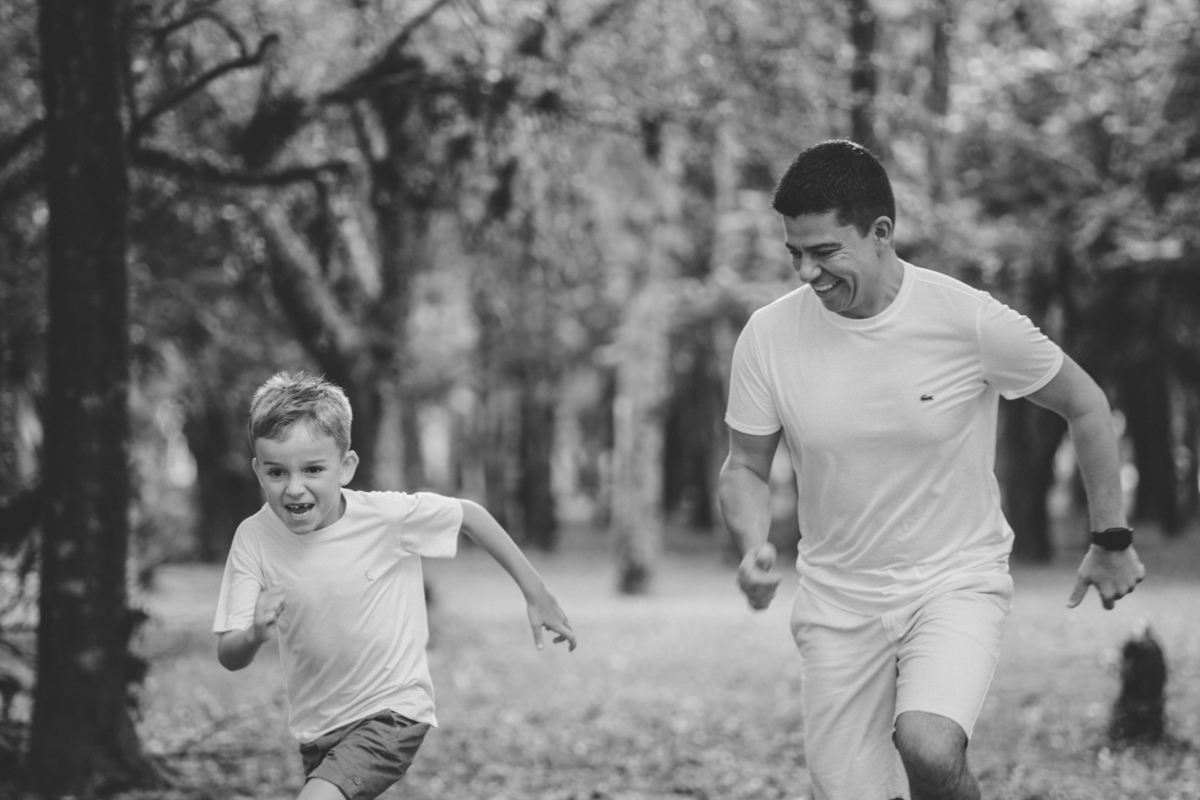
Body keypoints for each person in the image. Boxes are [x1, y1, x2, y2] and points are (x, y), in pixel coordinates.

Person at [718, 140, 1144, 800]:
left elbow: (1086, 404)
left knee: (929, 744)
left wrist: (1111, 537)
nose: (805, 271)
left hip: (954, 579)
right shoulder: (768, 337)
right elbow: (745, 464)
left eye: (825, 251)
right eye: (793, 252)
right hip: (837, 600)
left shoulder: (965, 320)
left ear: (881, 233)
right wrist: (752, 545)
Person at [214, 372, 577, 800]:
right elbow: (228, 654)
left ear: (346, 467)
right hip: (317, 728)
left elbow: (470, 515)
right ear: (258, 470)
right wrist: (255, 633)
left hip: (393, 710)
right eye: (277, 472)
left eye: (313, 469)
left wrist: (535, 592)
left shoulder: (386, 518)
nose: (294, 488)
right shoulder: (253, 538)